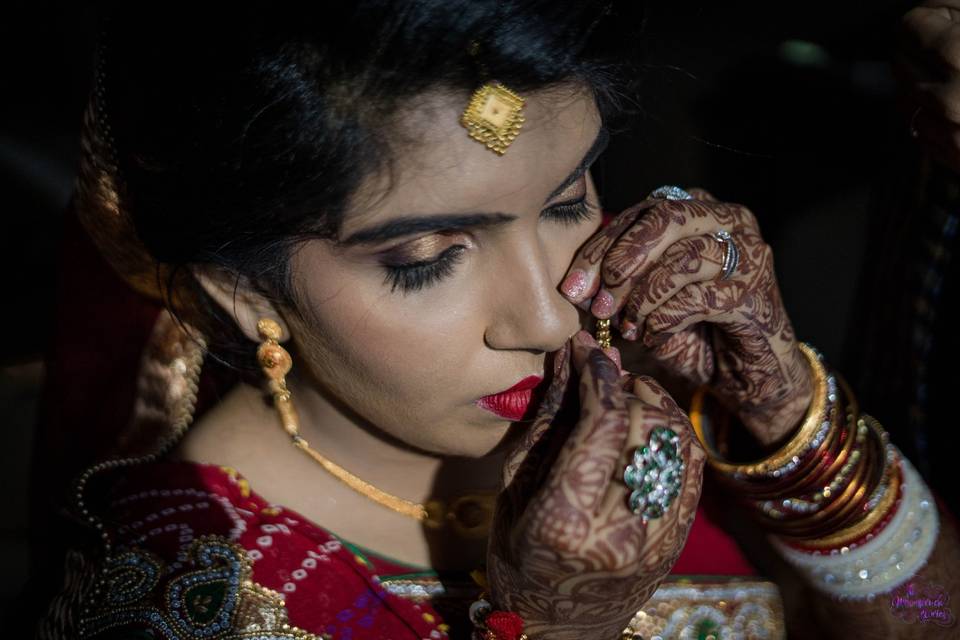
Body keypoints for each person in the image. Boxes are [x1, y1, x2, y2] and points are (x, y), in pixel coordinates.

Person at [34, 3, 959, 639]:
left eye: (567, 201)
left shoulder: (656, 395)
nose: (555, 315)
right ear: (244, 292)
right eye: (426, 258)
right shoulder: (181, 598)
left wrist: (793, 419)